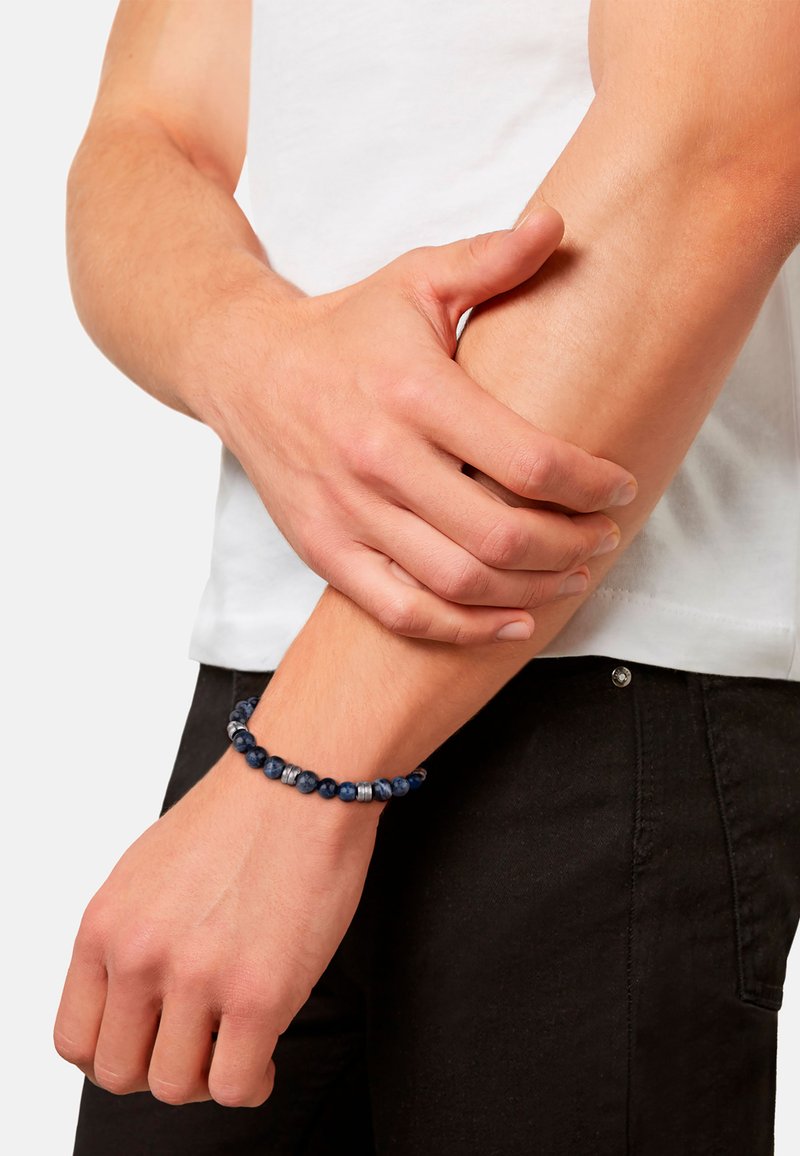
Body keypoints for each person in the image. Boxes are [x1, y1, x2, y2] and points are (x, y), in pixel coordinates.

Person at [56, 1, 800, 1153]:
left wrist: (299, 770)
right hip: (269, 677)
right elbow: (149, 131)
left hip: (600, 676)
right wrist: (251, 347)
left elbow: (718, 135)